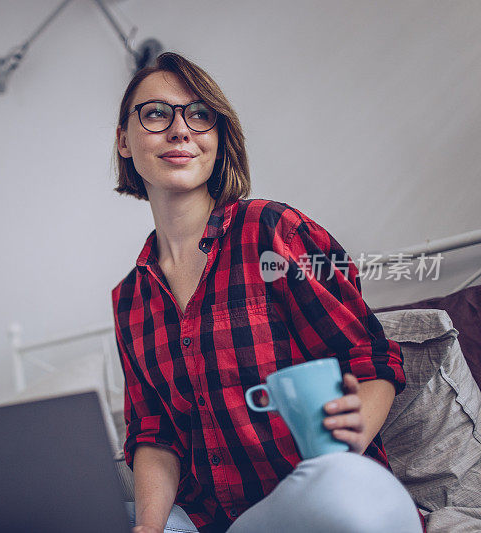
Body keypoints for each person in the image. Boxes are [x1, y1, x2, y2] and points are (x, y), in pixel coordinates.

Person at [111, 52, 423, 533]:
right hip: (217, 521)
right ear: (124, 142)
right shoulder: (131, 298)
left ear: (217, 138)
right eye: (156, 114)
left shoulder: (272, 231)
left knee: (341, 500)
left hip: (320, 498)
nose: (180, 130)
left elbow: (370, 359)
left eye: (199, 115)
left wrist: (341, 455)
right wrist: (148, 530)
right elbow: (156, 434)